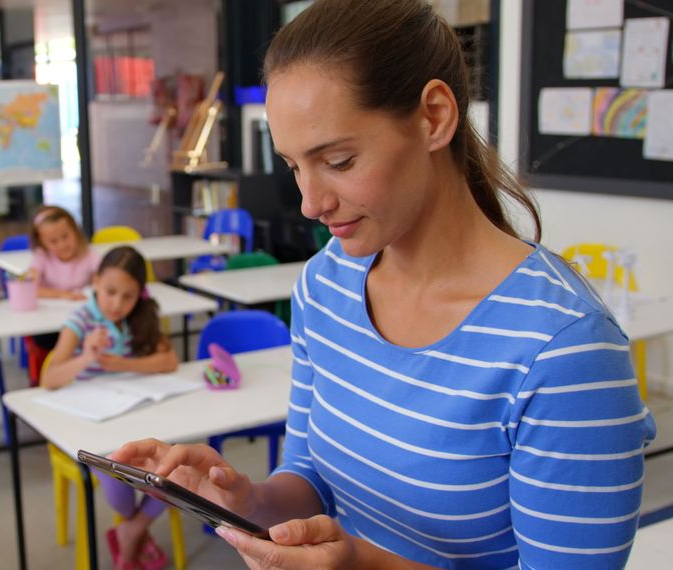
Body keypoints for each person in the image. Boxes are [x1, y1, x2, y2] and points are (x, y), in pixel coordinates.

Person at [111, 1, 657, 568]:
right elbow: (309, 479)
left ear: (434, 118)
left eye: (340, 161)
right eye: (295, 166)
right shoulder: (326, 286)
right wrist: (244, 499)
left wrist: (362, 565)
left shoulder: (566, 350)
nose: (311, 203)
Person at [42, 246, 178, 569]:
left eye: (128, 296)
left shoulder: (142, 316)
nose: (117, 304)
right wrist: (88, 357)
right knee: (119, 473)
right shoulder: (81, 318)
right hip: (93, 425)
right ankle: (135, 535)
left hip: (136, 414)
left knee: (177, 470)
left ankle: (130, 531)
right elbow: (49, 378)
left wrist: (118, 363)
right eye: (110, 292)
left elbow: (168, 361)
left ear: (140, 295)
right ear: (95, 282)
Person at [24, 205, 101, 383]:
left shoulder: (88, 254)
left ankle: (80, 376)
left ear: (75, 231)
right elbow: (30, 287)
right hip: (48, 322)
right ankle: (46, 377)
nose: (62, 244)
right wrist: (62, 295)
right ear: (42, 242)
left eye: (66, 236)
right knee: (46, 341)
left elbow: (103, 277)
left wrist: (96, 283)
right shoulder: (42, 257)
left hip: (79, 318)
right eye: (53, 241)